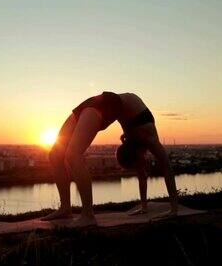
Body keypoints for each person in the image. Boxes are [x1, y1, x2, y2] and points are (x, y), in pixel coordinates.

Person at [41, 91, 178, 227]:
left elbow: (142, 175)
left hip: (98, 102)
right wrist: (173, 210)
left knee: (64, 155)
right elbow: (167, 167)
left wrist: (145, 207)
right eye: (138, 164)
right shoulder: (150, 137)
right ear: (138, 156)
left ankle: (83, 214)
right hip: (102, 103)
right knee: (60, 155)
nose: (141, 167)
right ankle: (72, 211)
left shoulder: (134, 143)